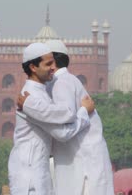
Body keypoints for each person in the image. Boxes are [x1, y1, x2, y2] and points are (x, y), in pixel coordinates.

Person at [17, 39, 114, 195]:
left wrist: (30, 106)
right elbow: (63, 117)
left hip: (81, 168)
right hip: (75, 164)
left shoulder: (60, 83)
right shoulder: (62, 82)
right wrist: (83, 111)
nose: (52, 67)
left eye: (51, 62)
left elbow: (65, 119)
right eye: (48, 63)